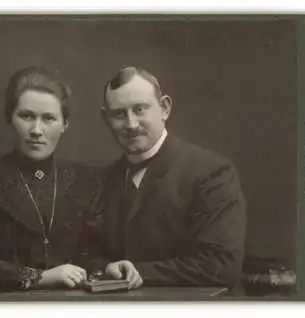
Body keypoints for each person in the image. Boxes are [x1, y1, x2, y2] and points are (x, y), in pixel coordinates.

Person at [0, 67, 100, 292]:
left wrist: (108, 267)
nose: (36, 130)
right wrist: (40, 277)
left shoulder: (83, 183)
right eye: (26, 116)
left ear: (64, 125)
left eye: (49, 118)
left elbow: (92, 254)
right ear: (9, 119)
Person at [85, 66, 246, 289]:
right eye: (119, 114)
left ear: (164, 108)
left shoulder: (212, 172)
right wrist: (107, 268)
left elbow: (220, 265)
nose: (131, 124)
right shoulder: (105, 179)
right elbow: (88, 255)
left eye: (140, 109)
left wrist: (137, 272)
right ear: (106, 118)